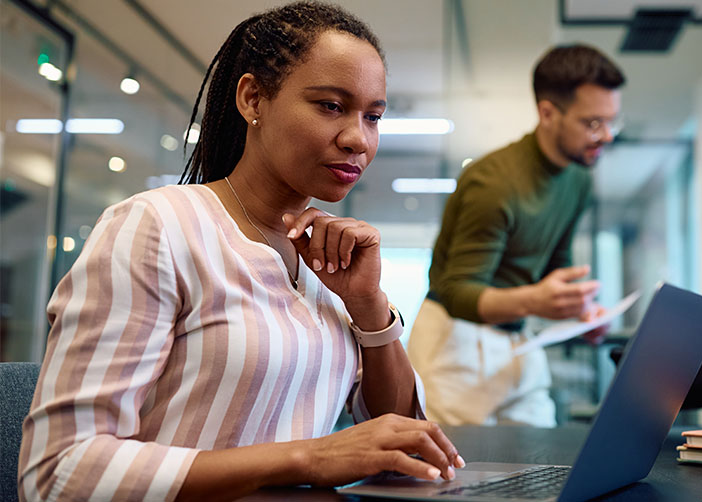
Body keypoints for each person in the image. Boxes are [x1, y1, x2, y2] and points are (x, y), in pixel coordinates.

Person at [18, 3, 464, 501]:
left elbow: (402, 437)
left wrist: (369, 306)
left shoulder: (326, 261)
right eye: (330, 106)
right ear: (253, 99)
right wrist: (309, 458)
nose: (357, 138)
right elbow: (58, 472)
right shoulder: (156, 227)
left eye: (373, 116)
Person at [406, 45, 625, 427]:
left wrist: (580, 311)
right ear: (547, 113)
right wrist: (536, 300)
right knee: (454, 477)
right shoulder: (494, 184)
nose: (606, 135)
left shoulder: (578, 180)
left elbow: (556, 265)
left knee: (540, 463)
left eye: (612, 121)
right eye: (592, 123)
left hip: (519, 338)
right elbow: (459, 292)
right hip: (456, 342)